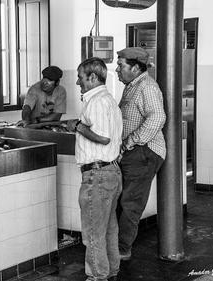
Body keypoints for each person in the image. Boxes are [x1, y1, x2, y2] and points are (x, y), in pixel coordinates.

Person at [67, 57, 123, 281]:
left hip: (97, 175)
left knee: (92, 233)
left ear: (92, 77)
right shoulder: (107, 99)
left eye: (80, 77)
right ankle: (110, 272)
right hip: (110, 172)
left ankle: (98, 276)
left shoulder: (97, 101)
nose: (78, 82)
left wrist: (77, 126)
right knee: (108, 229)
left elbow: (103, 137)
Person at [115, 47, 166, 261]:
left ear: (135, 68)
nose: (117, 69)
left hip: (143, 152)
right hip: (134, 151)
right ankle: (117, 246)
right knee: (123, 200)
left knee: (130, 203)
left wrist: (130, 142)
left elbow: (157, 118)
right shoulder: (131, 86)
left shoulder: (146, 86)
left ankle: (122, 250)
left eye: (121, 65)